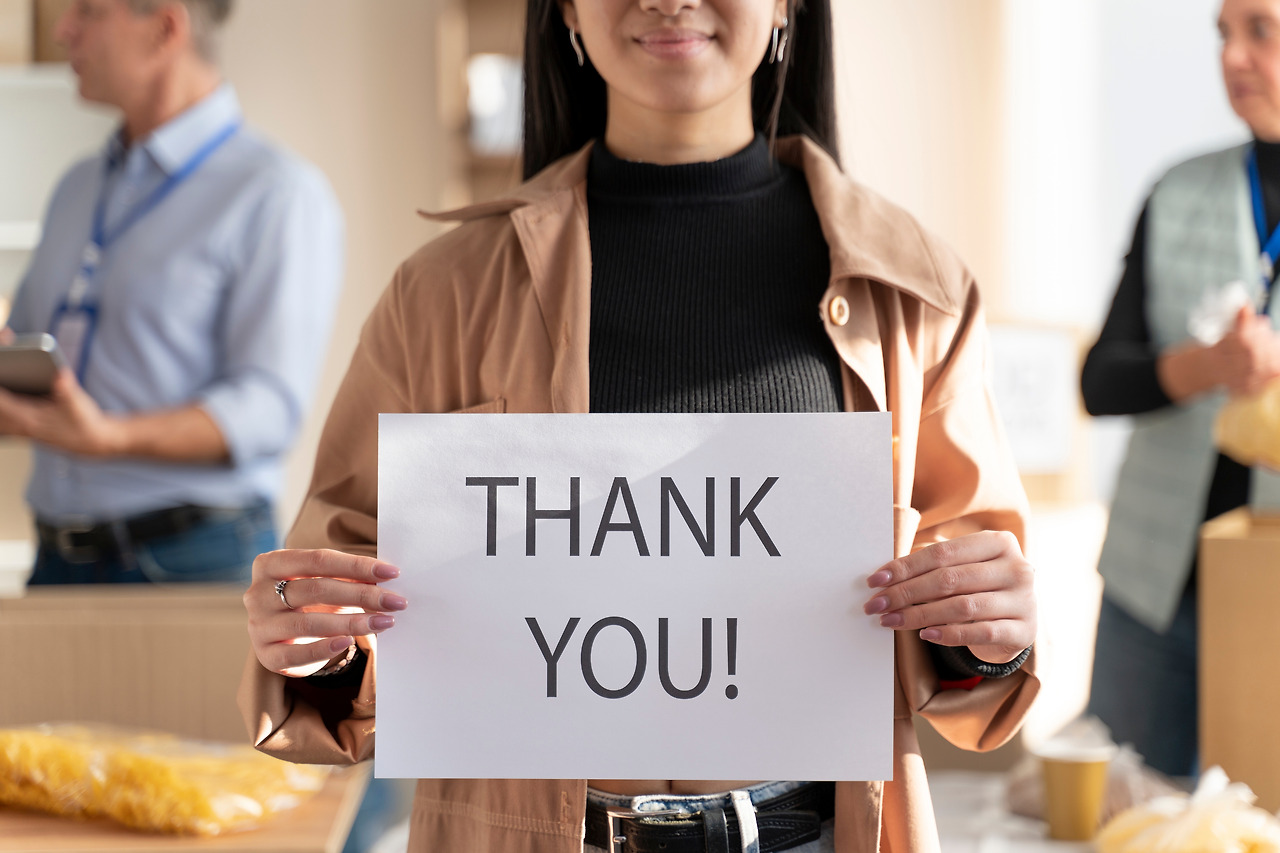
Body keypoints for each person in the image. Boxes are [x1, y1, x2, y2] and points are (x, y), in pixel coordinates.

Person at [238, 0, 1039, 850]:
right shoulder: (440, 295)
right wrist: (317, 641)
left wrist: (988, 636)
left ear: (785, 7)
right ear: (568, 13)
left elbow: (968, 653)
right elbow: (347, 609)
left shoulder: (916, 294)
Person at [0, 0, 344, 585]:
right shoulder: (77, 187)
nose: (63, 31)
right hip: (58, 559)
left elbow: (266, 410)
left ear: (164, 28)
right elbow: (28, 356)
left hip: (195, 558)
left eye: (87, 11)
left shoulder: (278, 194)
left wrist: (109, 438)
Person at [1083, 0, 1280, 781]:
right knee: (1128, 810)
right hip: (1150, 586)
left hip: (1266, 589)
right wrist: (1207, 366)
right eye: (1222, 33)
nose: (1232, 57)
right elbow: (1099, 381)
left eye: (1260, 30)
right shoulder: (1176, 190)